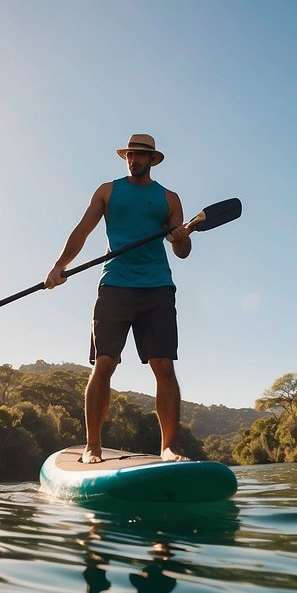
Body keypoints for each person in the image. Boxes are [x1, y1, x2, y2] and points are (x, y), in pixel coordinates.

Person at [45, 134, 195, 464]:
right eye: (130, 155)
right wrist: (60, 266)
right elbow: (82, 230)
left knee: (163, 366)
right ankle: (93, 446)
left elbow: (182, 251)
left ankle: (168, 447)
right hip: (114, 286)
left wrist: (180, 237)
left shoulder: (169, 199)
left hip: (157, 288)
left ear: (152, 160)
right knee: (104, 363)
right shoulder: (107, 191)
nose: (134, 160)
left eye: (140, 155)